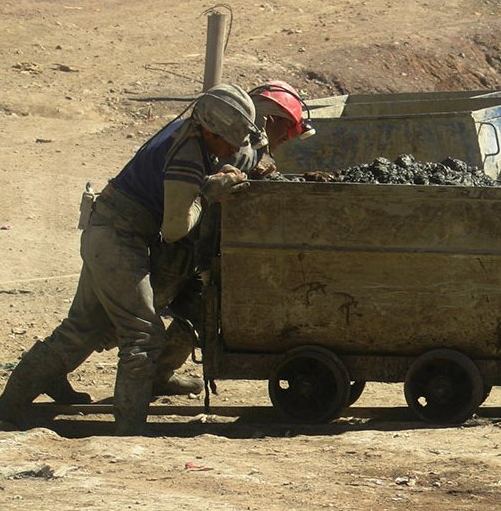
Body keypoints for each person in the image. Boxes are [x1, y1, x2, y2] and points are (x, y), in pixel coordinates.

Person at [0, 84, 260, 434]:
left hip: (106, 231)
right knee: (143, 337)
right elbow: (176, 228)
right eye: (229, 141)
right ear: (209, 131)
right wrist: (207, 194)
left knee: (81, 331)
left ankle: (10, 406)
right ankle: (129, 430)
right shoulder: (187, 156)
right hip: (117, 240)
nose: (234, 149)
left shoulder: (188, 131)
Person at [42, 81, 316, 405]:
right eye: (286, 131)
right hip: (152, 239)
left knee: (183, 316)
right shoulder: (235, 145)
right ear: (269, 121)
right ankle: (54, 392)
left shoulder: (231, 140)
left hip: (159, 237)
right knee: (123, 322)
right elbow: (188, 211)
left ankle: (148, 376)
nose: (286, 140)